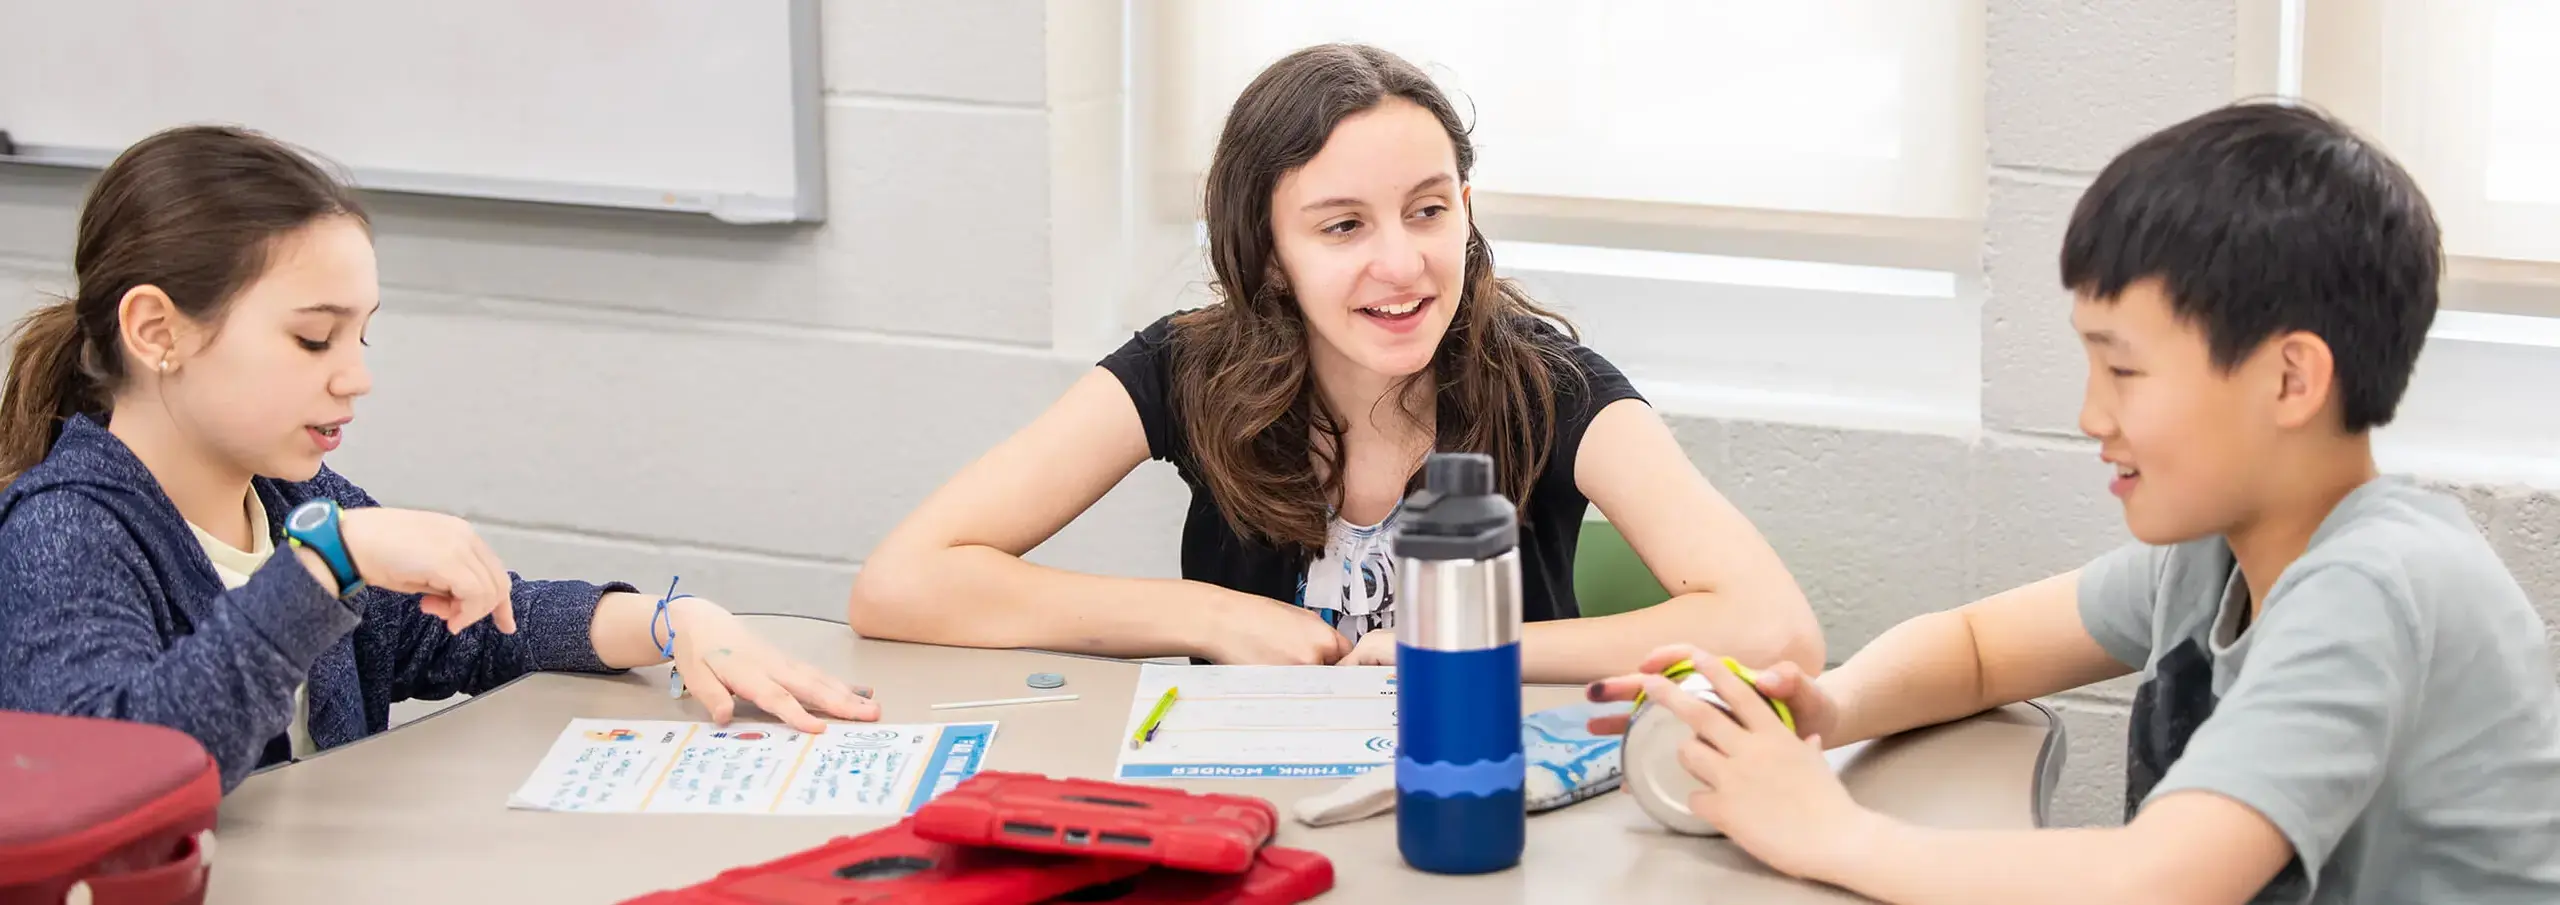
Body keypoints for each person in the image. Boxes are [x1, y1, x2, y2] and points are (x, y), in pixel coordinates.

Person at [1588, 101, 2560, 903]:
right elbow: (1977, 646)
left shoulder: (2373, 583)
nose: (2091, 412)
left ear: (2289, 379)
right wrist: (1828, 710)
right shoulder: (2224, 551)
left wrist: (1830, 828)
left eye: (2124, 368)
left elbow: (2158, 880)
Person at [846, 43, 1822, 684]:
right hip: (1254, 811)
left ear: (1466, 208)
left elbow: (1777, 629)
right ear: (1265, 247)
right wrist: (1208, 615)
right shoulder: (1183, 368)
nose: (1401, 263)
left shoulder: (1554, 387)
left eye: (1429, 209)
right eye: (1343, 224)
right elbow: (902, 583)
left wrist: (1460, 653)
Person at [0, 125, 879, 792]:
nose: (357, 377)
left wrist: (670, 622)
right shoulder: (65, 533)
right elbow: (119, 772)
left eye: (363, 335)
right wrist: (325, 566)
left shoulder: (290, 500)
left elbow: (474, 626)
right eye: (313, 339)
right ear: (157, 331)